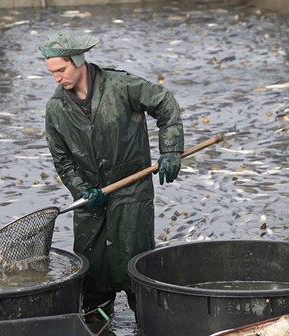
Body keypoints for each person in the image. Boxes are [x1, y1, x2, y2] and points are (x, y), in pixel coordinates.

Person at [39, 31, 184, 319]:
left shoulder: (121, 86)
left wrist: (170, 150)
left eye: (61, 70)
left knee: (136, 272)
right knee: (92, 278)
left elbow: (165, 104)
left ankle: (146, 322)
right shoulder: (56, 109)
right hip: (91, 203)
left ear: (78, 61)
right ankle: (97, 321)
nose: (57, 78)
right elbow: (63, 160)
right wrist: (81, 189)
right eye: (52, 73)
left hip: (132, 194)